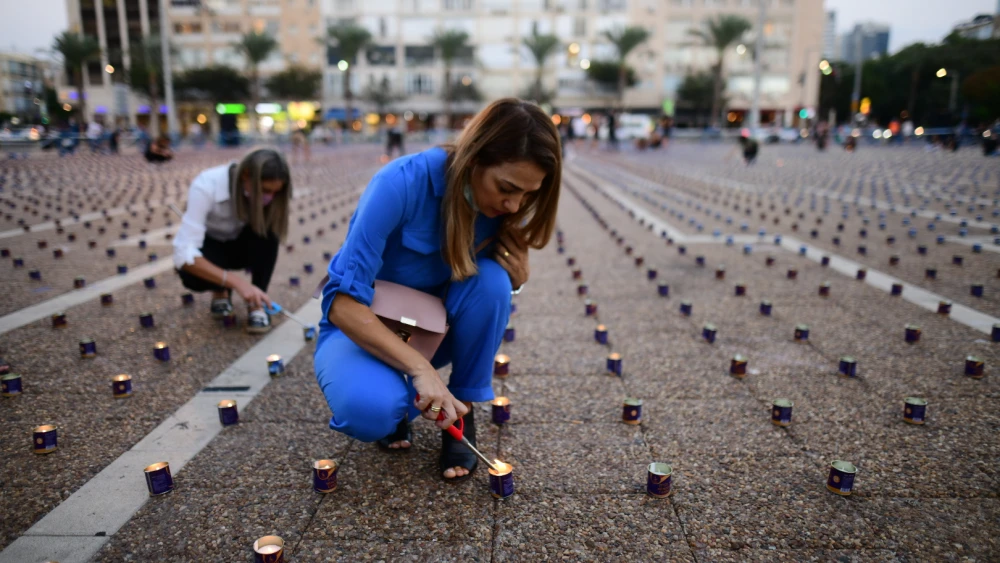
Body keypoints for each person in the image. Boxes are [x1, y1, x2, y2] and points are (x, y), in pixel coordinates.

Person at [313, 99, 562, 481]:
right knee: (369, 414)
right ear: (475, 157)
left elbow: (483, 297)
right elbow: (342, 303)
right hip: (362, 327)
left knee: (494, 282)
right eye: (507, 188)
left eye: (529, 195)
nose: (514, 204)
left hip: (430, 331)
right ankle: (399, 401)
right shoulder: (400, 183)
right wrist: (419, 370)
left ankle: (462, 406)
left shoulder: (502, 210)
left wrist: (517, 279)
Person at [173, 149, 292, 334]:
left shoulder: (269, 199)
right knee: (191, 276)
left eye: (276, 192)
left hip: (240, 245)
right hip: (211, 248)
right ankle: (219, 289)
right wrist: (236, 283)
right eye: (266, 190)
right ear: (246, 175)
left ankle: (256, 301)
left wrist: (249, 287)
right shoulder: (206, 186)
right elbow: (184, 255)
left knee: (269, 233)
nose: (270, 197)